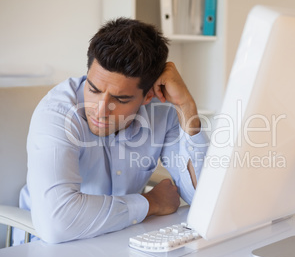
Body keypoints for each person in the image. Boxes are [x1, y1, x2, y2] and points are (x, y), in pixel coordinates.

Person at [15, 18, 208, 244]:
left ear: (147, 96)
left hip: (119, 238)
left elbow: (205, 200)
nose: (100, 110)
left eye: (120, 98)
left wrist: (186, 105)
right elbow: (57, 223)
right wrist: (151, 203)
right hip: (46, 247)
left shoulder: (161, 112)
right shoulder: (57, 113)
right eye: (93, 89)